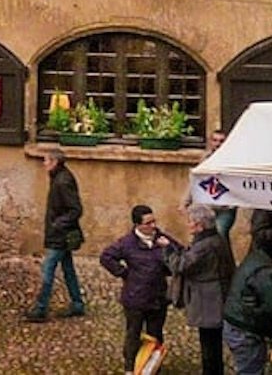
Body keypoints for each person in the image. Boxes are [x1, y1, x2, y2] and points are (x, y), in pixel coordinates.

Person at [100, 204, 183, 371]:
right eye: (148, 223)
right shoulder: (127, 243)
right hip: (135, 298)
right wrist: (124, 273)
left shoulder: (161, 238)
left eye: (154, 221)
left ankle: (152, 368)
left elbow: (180, 253)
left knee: (156, 335)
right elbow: (106, 257)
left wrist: (168, 249)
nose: (153, 226)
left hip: (158, 297)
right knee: (133, 334)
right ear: (138, 225)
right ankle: (130, 368)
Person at [223, 223, 272, 375]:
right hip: (244, 328)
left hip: (237, 320)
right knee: (251, 370)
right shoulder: (266, 271)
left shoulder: (258, 256)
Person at [174, 202, 236, 375]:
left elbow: (182, 265)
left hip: (208, 300)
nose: (188, 225)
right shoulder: (217, 239)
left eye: (190, 221)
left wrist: (169, 253)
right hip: (216, 296)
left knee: (209, 347)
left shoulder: (204, 245)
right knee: (212, 344)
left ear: (199, 225)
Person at [24, 150, 86, 322]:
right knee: (68, 270)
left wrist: (58, 224)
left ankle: (41, 307)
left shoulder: (62, 181)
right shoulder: (58, 178)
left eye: (46, 161)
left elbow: (76, 209)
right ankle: (77, 303)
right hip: (60, 234)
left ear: (54, 162)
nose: (44, 164)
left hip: (59, 236)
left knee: (48, 270)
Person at [206, 130, 237, 240]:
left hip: (226, 208)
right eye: (215, 140)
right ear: (210, 142)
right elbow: (196, 181)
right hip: (209, 206)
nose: (218, 144)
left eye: (221, 141)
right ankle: (226, 257)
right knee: (211, 238)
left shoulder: (233, 161)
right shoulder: (205, 159)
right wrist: (185, 202)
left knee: (219, 233)